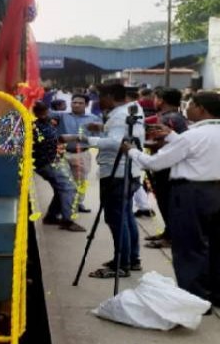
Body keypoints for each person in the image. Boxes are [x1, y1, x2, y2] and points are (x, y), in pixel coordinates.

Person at [123, 91, 220, 309]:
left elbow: (154, 163)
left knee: (190, 247)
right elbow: (201, 151)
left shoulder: (191, 136)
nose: (187, 107)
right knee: (219, 246)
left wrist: (131, 152)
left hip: (193, 194)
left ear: (202, 109)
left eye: (191, 104)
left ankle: (195, 299)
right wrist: (171, 136)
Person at [67, 80, 145, 278]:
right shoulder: (132, 109)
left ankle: (122, 264)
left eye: (100, 96)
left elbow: (116, 142)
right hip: (129, 171)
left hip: (116, 173)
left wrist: (85, 139)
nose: (98, 101)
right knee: (126, 216)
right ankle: (131, 258)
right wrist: (102, 127)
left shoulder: (119, 115)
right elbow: (124, 133)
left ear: (110, 96)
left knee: (116, 218)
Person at [142, 88, 188, 248]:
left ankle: (171, 236)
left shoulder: (168, 118)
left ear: (161, 100)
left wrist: (141, 145)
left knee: (167, 201)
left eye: (156, 98)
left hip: (167, 165)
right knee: (165, 201)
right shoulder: (177, 117)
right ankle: (168, 232)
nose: (154, 101)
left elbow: (164, 142)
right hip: (169, 164)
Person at [32, 101, 84, 232]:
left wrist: (75, 137)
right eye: (41, 112)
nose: (45, 115)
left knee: (61, 188)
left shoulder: (47, 123)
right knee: (68, 188)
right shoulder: (36, 127)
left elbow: (57, 138)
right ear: (36, 113)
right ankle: (68, 221)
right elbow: (53, 140)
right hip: (46, 163)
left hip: (51, 161)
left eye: (45, 112)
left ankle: (52, 216)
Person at [55, 94, 98, 212]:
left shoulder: (93, 119)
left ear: (87, 105)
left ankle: (78, 204)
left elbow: (99, 136)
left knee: (81, 181)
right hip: (63, 153)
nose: (77, 105)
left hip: (82, 154)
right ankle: (63, 207)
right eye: (74, 102)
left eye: (80, 103)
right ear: (71, 103)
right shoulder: (62, 116)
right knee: (64, 182)